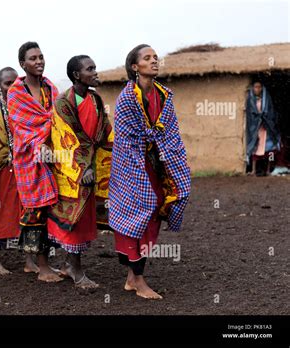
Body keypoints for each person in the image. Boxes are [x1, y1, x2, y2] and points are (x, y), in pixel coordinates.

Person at [109, 45, 191, 299]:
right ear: (135, 67)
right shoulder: (126, 99)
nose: (154, 61)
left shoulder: (164, 96)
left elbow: (171, 134)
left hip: (157, 165)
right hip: (131, 166)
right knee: (138, 212)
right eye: (147, 58)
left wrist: (172, 162)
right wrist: (140, 168)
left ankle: (132, 278)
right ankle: (139, 280)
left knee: (154, 213)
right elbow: (126, 140)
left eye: (155, 57)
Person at [47, 55, 113, 288]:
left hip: (93, 165)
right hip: (73, 169)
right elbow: (64, 139)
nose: (95, 72)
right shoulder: (63, 103)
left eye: (95, 67)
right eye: (90, 69)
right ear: (77, 75)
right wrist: (82, 168)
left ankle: (67, 264)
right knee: (75, 220)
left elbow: (105, 131)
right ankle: (76, 271)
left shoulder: (95, 99)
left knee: (86, 218)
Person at [7, 41, 63, 282]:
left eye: (41, 57)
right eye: (33, 58)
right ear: (23, 64)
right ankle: (41, 267)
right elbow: (20, 127)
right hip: (29, 159)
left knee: (50, 210)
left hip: (52, 156)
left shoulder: (50, 88)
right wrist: (39, 143)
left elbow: (58, 118)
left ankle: (41, 262)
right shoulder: (16, 93)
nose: (39, 61)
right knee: (34, 212)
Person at [0, 67, 39, 275]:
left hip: (26, 170)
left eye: (16, 83)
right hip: (0, 172)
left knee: (30, 214)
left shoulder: (27, 107)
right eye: (7, 84)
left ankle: (30, 261)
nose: (12, 87)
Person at [246, 80, 280, 176]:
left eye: (259, 87)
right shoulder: (251, 100)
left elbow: (270, 112)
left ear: (262, 88)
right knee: (255, 148)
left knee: (270, 149)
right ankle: (253, 170)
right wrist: (257, 119)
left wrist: (265, 119)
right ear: (252, 88)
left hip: (266, 127)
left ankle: (269, 169)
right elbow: (250, 114)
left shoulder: (267, 99)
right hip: (256, 128)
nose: (257, 89)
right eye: (255, 87)